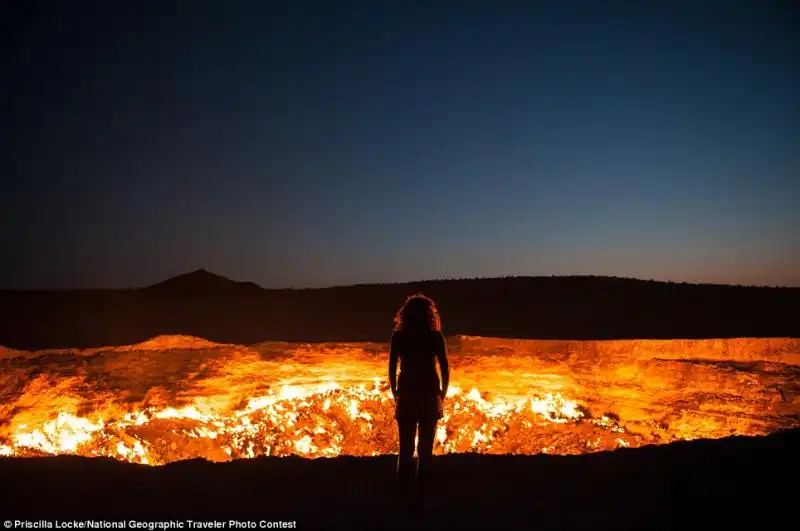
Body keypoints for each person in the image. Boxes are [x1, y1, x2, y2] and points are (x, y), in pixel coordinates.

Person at [388, 293, 449, 506]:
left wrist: (396, 393)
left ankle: (402, 497)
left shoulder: (399, 337)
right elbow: (444, 367)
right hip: (429, 396)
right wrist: (442, 393)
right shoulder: (434, 337)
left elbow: (391, 368)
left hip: (407, 395)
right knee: (425, 450)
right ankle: (421, 499)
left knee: (405, 450)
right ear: (429, 314)